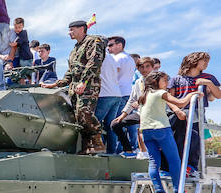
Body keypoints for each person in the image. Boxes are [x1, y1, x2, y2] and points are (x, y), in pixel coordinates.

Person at [41, 20, 106, 153]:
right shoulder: (75, 49)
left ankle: (98, 139)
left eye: (72, 29)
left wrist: (84, 82)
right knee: (77, 118)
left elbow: (94, 63)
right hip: (74, 87)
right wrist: (56, 84)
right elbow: (71, 71)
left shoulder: (93, 41)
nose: (69, 32)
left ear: (82, 29)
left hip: (88, 85)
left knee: (84, 111)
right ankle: (86, 147)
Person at [139, 71, 199, 193]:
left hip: (146, 131)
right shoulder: (161, 93)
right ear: (156, 82)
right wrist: (192, 95)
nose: (167, 83)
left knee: (154, 162)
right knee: (175, 160)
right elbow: (181, 103)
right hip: (161, 129)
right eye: (165, 80)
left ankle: (159, 190)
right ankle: (179, 190)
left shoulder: (144, 95)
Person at [168, 52, 221, 173]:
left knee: (195, 139)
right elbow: (169, 98)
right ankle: (177, 166)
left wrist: (208, 83)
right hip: (179, 114)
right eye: (204, 61)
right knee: (178, 140)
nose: (207, 64)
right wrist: (176, 110)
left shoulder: (208, 77)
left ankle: (191, 167)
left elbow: (218, 95)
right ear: (193, 61)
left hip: (197, 113)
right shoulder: (176, 79)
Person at [112, 57, 155, 156]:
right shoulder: (138, 82)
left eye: (147, 66)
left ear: (152, 67)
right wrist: (123, 115)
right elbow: (132, 99)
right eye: (142, 67)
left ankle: (150, 155)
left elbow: (157, 94)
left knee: (144, 133)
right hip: (141, 113)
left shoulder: (158, 79)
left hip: (155, 113)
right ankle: (128, 150)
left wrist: (140, 102)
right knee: (115, 124)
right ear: (138, 69)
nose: (144, 69)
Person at [94, 37, 128, 153]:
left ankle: (100, 149)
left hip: (104, 94)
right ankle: (111, 151)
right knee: (111, 126)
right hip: (116, 94)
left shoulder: (98, 57)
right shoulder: (112, 58)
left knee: (95, 123)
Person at [7, 17, 33, 82]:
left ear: (23, 26)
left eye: (19, 27)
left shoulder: (23, 33)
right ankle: (24, 85)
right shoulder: (18, 33)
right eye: (16, 27)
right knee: (22, 74)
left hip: (27, 57)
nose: (17, 29)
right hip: (22, 57)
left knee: (28, 73)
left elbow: (15, 44)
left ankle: (31, 84)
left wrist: (8, 43)